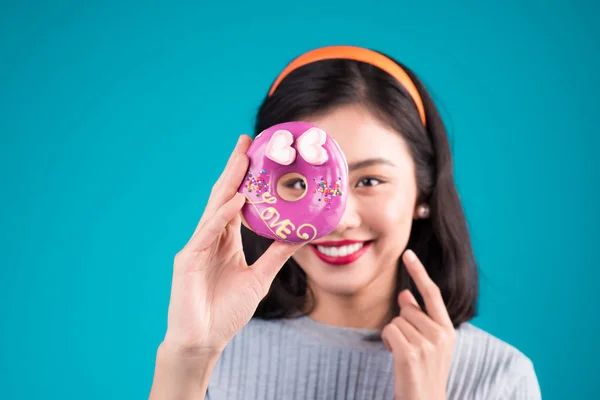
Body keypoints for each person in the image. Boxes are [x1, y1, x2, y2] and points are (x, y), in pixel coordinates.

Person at [148, 45, 542, 400]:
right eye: (298, 183)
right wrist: (188, 357)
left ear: (423, 193)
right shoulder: (215, 352)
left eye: (369, 181)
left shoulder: (500, 376)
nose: (340, 220)